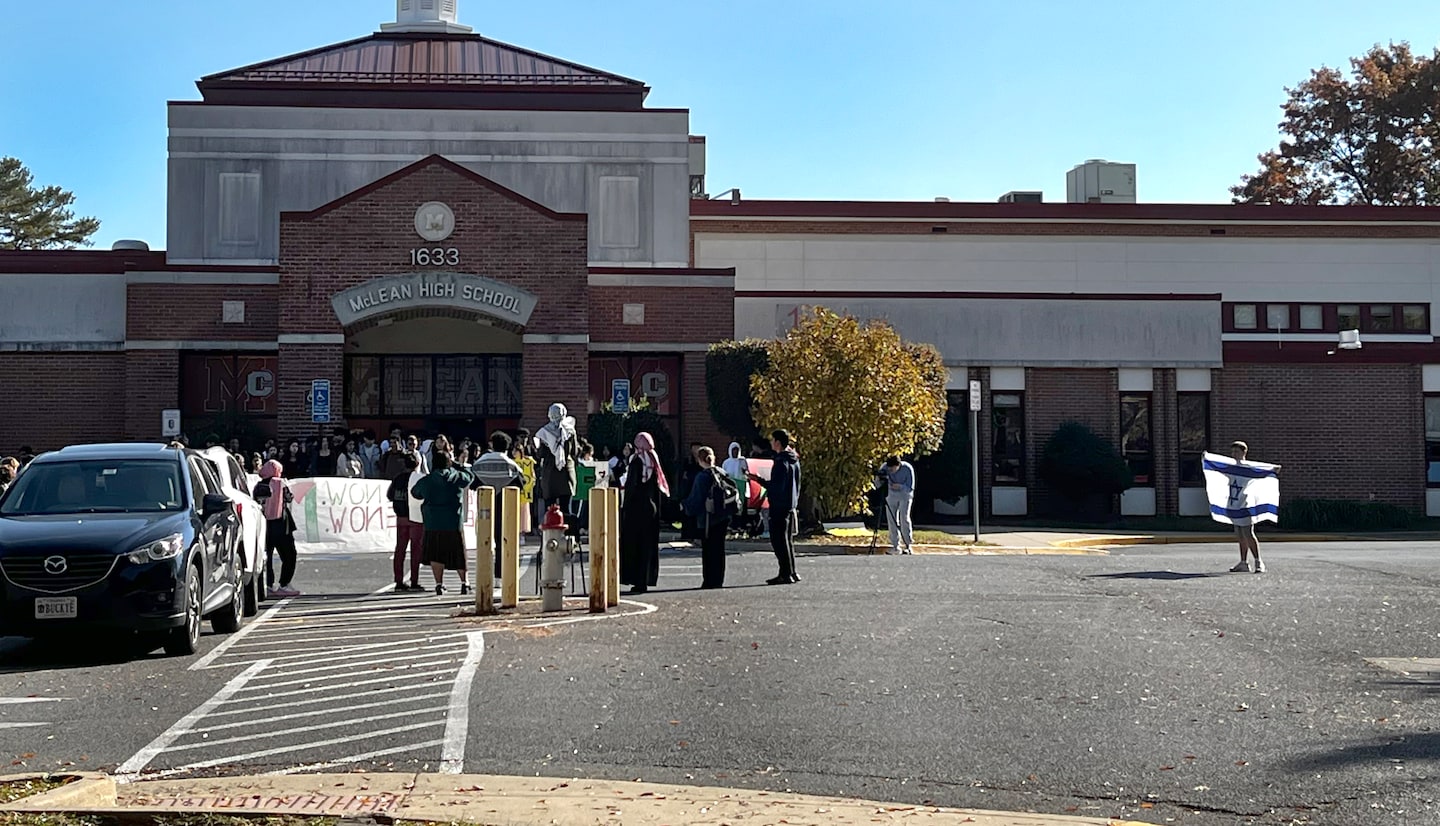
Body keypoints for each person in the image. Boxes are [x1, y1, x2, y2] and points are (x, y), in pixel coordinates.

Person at [410, 450, 476, 595]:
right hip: (453, 522)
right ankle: (464, 583)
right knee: (458, 554)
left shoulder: (428, 480)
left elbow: (415, 492)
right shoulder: (456, 476)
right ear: (449, 462)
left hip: (433, 522)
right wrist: (458, 465)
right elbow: (470, 477)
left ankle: (439, 584)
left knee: (436, 554)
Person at [619, 431, 669, 595]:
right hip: (651, 509)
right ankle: (645, 579)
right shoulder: (653, 460)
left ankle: (636, 580)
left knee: (635, 545)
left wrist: (624, 508)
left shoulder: (636, 461)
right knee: (648, 546)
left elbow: (631, 487)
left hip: (636, 509)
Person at [751, 429, 801, 585]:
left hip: (779, 505)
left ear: (778, 442)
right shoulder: (794, 459)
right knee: (787, 540)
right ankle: (792, 572)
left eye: (773, 440)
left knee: (778, 540)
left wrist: (759, 480)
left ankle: (784, 573)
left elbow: (776, 486)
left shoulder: (780, 462)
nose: (771, 443)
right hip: (790, 503)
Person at [471, 432, 522, 578]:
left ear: (492, 444)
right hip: (505, 507)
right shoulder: (511, 465)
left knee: (484, 539)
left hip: (484, 507)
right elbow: (521, 484)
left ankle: (484, 574)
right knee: (502, 540)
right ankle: (500, 573)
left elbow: (473, 484)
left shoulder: (480, 463)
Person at [682, 446, 730, 589]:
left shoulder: (702, 477)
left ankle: (709, 580)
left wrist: (684, 506)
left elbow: (696, 500)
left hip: (708, 518)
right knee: (719, 550)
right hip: (723, 517)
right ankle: (719, 579)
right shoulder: (722, 473)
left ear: (699, 460)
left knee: (709, 550)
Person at [254, 459, 301, 597]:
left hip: (265, 525)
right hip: (282, 524)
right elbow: (289, 498)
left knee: (266, 556)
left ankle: (268, 584)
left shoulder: (259, 486)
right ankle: (284, 584)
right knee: (289, 555)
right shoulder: (281, 484)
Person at [1229, 440, 1268, 574]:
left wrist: (1272, 470)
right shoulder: (1231, 467)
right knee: (1239, 534)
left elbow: (1263, 472)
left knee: (1248, 533)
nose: (1234, 454)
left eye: (1237, 451)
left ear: (1244, 452)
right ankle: (1243, 562)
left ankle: (1258, 561)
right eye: (1232, 452)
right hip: (1234, 503)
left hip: (1246, 503)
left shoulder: (1248, 467)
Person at [387, 454, 424, 591]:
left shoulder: (398, 478)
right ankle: (414, 580)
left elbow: (390, 495)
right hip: (416, 516)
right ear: (418, 463)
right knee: (416, 549)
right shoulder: (418, 478)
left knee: (400, 549)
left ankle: (398, 581)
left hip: (401, 516)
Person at [534, 403, 578, 514]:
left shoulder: (543, 432)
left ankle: (550, 525)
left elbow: (540, 454)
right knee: (566, 508)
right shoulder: (570, 431)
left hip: (549, 473)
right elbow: (574, 452)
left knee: (549, 509)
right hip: (566, 471)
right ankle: (566, 525)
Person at [880, 455, 917, 555]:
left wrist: (899, 486)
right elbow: (878, 480)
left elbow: (910, 487)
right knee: (891, 520)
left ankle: (908, 545)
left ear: (898, 465)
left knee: (904, 518)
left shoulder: (907, 468)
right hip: (891, 495)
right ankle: (895, 546)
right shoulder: (885, 467)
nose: (891, 471)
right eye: (889, 468)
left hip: (905, 495)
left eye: (892, 469)